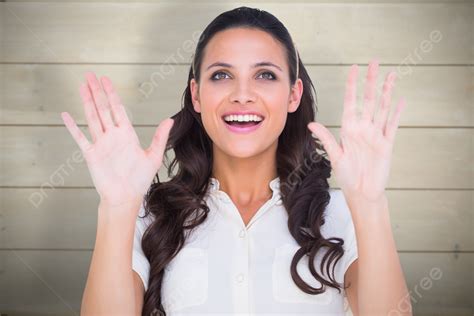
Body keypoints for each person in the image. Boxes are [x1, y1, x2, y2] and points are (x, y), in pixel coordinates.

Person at [61, 6, 411, 316]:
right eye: (221, 75)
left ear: (293, 94)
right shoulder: (148, 216)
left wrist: (370, 204)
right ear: (197, 94)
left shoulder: (343, 214)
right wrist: (116, 207)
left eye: (265, 75)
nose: (242, 94)